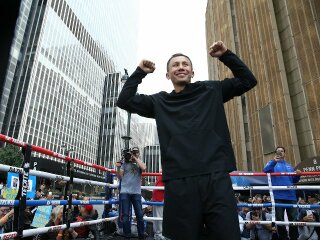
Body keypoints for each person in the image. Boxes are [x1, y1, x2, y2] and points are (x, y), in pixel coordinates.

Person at [117, 41, 257, 240]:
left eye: (185, 64)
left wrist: (226, 55)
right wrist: (140, 72)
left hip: (216, 177)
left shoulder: (212, 90)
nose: (180, 67)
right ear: (168, 75)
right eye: (175, 65)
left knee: (227, 234)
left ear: (192, 72)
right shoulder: (159, 101)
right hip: (179, 181)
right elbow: (125, 100)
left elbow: (248, 80)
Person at [263, 146, 301, 240]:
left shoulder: (289, 166)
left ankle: (294, 238)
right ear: (275, 153)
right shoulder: (272, 163)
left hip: (291, 196)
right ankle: (283, 238)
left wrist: (298, 175)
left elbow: (294, 180)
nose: (280, 153)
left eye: (282, 151)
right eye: (278, 151)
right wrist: (274, 161)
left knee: (293, 220)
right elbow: (265, 170)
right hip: (278, 196)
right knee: (279, 220)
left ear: (284, 153)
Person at [116, 146, 147, 239]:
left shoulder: (139, 163)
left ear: (138, 153)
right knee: (125, 216)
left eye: (136, 152)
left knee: (140, 215)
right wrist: (118, 168)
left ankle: (141, 236)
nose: (134, 153)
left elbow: (144, 167)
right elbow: (120, 177)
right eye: (133, 152)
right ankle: (127, 236)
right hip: (125, 192)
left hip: (136, 193)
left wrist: (135, 158)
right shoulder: (125, 164)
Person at [152, 170, 165, 240]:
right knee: (158, 217)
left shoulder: (166, 170)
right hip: (159, 196)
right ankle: (158, 235)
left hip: (159, 195)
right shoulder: (167, 170)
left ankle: (158, 234)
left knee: (158, 217)